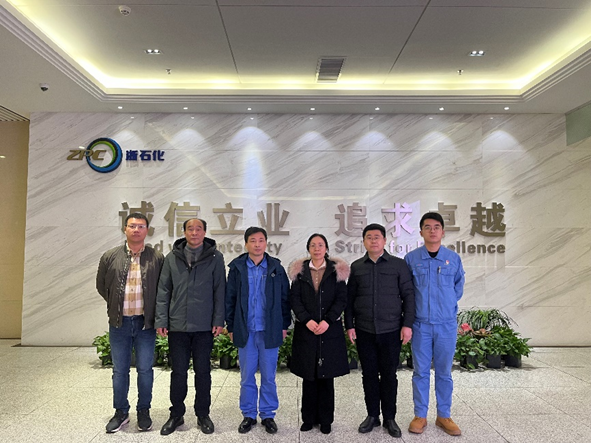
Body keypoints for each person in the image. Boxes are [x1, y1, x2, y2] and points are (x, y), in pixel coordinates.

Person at [155, 218, 226, 435]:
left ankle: (203, 414)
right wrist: (161, 320)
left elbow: (219, 290)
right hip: (177, 326)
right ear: (184, 232)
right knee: (178, 372)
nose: (194, 232)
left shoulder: (215, 257)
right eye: (190, 229)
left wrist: (218, 320)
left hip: (204, 327)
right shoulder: (172, 257)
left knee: (203, 372)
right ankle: (176, 414)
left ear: (204, 232)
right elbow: (163, 290)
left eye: (198, 229)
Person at [345, 223, 415, 438]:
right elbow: (349, 299)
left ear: (385, 241)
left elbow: (409, 296)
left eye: (377, 237)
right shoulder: (357, 267)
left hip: (391, 329)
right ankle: (372, 415)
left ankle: (390, 418)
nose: (373, 240)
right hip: (364, 329)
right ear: (364, 241)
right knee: (368, 374)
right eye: (369, 237)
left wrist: (407, 325)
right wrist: (349, 325)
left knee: (389, 375)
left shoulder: (398, 265)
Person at [96, 212, 164, 433]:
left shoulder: (157, 258)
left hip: (146, 324)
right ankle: (121, 412)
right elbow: (101, 286)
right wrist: (115, 305)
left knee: (145, 369)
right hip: (120, 323)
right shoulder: (110, 256)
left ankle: (144, 410)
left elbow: (163, 289)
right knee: (120, 370)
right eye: (132, 226)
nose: (136, 230)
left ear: (147, 230)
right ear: (125, 229)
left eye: (141, 226)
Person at [225, 226, 291, 434]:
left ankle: (268, 414)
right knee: (247, 377)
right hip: (246, 330)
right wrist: (231, 326)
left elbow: (285, 299)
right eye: (252, 240)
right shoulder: (237, 268)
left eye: (261, 240)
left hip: (269, 329)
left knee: (269, 377)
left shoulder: (276, 268)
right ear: (246, 244)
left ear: (266, 243)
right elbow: (230, 299)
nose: (257, 244)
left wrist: (284, 325)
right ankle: (249, 414)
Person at [405, 212, 465, 436]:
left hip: (446, 326)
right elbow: (407, 291)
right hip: (420, 325)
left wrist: (445, 305)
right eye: (428, 227)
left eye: (436, 227)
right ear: (421, 232)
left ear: (443, 231)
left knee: (444, 372)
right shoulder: (411, 259)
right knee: (420, 372)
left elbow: (458, 288)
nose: (432, 231)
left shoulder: (453, 258)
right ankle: (420, 415)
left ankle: (444, 415)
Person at [288, 233, 350, 435]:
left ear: (326, 248)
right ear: (308, 249)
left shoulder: (335, 271)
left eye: (320, 245)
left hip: (328, 330)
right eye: (313, 245)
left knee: (326, 378)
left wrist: (327, 321)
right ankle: (308, 418)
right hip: (306, 330)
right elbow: (295, 299)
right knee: (309, 376)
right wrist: (307, 320)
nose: (317, 248)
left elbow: (341, 299)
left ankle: (325, 420)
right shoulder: (300, 272)